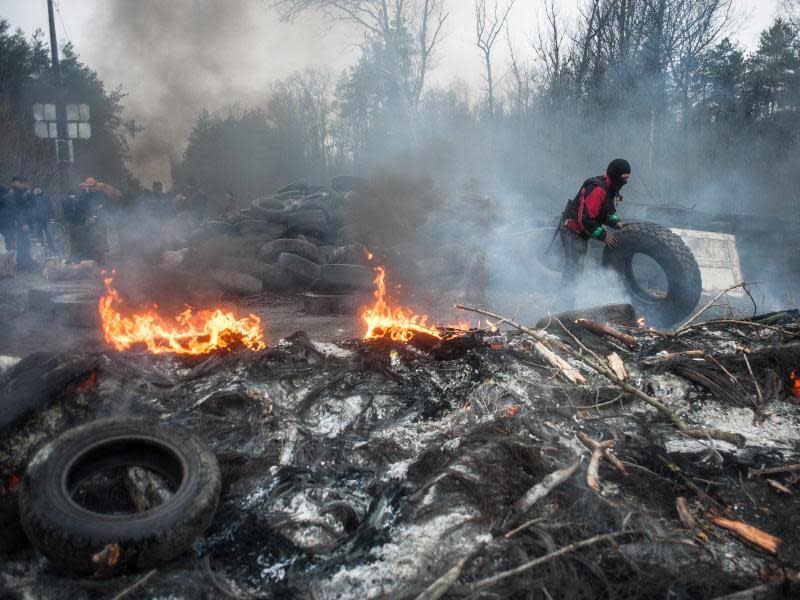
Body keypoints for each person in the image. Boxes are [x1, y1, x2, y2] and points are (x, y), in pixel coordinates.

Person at [554, 158, 631, 310]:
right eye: (624, 178)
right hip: (573, 231)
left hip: (582, 233)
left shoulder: (610, 187)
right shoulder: (597, 190)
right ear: (616, 175)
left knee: (577, 270)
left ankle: (567, 306)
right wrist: (604, 235)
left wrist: (616, 223)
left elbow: (608, 212)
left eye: (628, 179)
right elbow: (586, 220)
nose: (626, 182)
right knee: (573, 271)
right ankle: (561, 310)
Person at [2, 176, 35, 271]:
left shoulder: (22, 193)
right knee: (20, 243)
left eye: (24, 183)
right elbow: (16, 210)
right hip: (15, 223)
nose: (24, 185)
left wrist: (30, 194)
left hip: (23, 222)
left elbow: (29, 205)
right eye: (22, 183)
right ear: (15, 183)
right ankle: (20, 264)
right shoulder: (11, 194)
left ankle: (24, 263)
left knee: (25, 243)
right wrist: (23, 223)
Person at [31, 186, 56, 253]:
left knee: (49, 235)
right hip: (37, 220)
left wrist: (52, 217)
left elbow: (51, 207)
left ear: (41, 190)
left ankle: (54, 251)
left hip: (47, 219)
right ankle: (42, 252)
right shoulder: (32, 198)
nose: (37, 190)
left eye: (39, 189)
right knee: (38, 236)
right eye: (36, 189)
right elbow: (31, 209)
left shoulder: (46, 197)